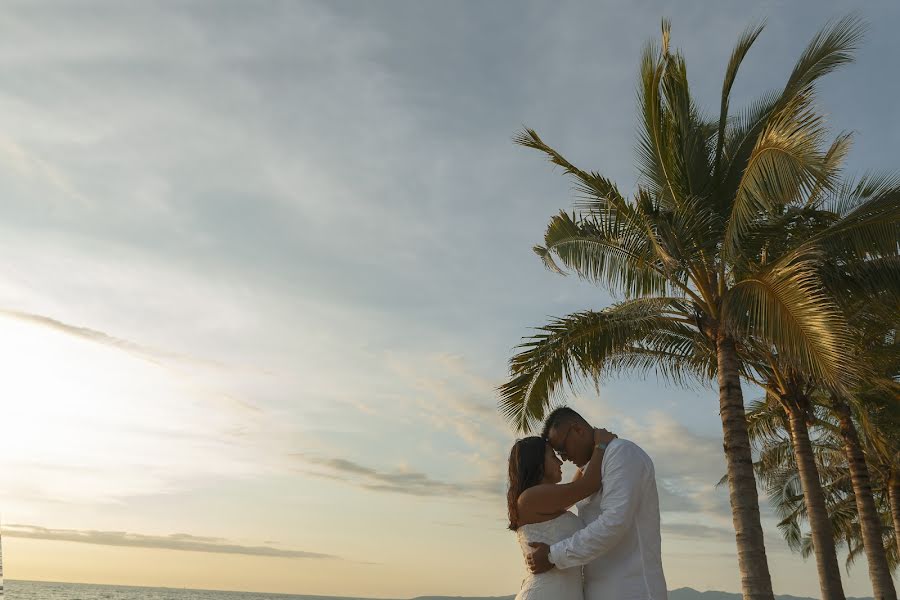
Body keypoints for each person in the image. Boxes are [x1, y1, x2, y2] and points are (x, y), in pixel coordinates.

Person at [525, 407, 668, 600]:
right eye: (557, 454)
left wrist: (553, 555)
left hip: (631, 590)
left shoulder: (621, 452)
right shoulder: (590, 468)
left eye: (562, 449)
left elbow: (614, 522)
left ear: (578, 430)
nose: (564, 458)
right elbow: (578, 489)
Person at [507, 426, 616, 599]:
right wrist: (600, 445)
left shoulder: (544, 501)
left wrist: (585, 456)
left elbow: (577, 488)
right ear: (538, 462)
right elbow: (588, 486)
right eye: (553, 456)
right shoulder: (530, 497)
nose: (560, 462)